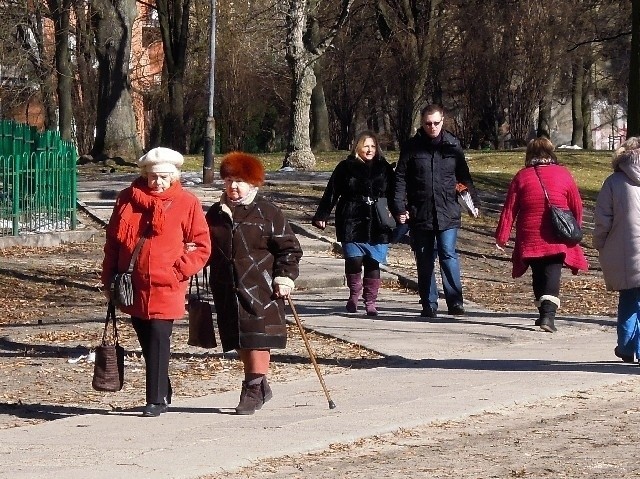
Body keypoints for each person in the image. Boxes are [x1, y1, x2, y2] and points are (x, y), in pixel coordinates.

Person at [101, 147, 211, 417]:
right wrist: (108, 278)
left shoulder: (187, 202)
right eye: (152, 177)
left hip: (167, 285)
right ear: (144, 174)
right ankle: (163, 387)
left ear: (174, 176)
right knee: (147, 339)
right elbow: (113, 244)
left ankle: (155, 400)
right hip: (132, 285)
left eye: (163, 177)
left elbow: (202, 246)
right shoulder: (127, 199)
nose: (157, 182)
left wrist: (179, 270)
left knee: (160, 337)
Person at [206, 152, 302, 415]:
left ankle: (252, 388)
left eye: (239, 181)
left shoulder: (268, 212)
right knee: (239, 338)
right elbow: (205, 246)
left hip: (261, 287)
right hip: (226, 287)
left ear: (253, 183)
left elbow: (290, 248)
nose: (233, 187)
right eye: (228, 181)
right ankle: (261, 384)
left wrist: (285, 277)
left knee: (258, 338)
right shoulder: (215, 213)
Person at [392, 104, 478, 318]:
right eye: (428, 123)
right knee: (424, 258)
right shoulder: (412, 147)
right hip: (420, 212)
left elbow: (464, 177)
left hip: (447, 210)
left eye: (436, 123)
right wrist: (399, 207)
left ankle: (455, 301)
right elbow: (400, 178)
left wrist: (472, 202)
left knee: (448, 254)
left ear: (443, 122)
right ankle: (429, 303)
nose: (432, 127)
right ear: (422, 124)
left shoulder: (452, 146)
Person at [495, 137, 588, 333]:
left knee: (538, 273)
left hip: (530, 234)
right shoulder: (563, 174)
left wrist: (502, 237)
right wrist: (575, 229)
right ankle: (548, 316)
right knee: (552, 271)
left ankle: (543, 314)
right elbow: (576, 205)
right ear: (551, 152)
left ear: (529, 154)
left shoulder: (522, 176)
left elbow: (509, 210)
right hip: (557, 234)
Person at [312, 131, 396, 316]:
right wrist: (322, 215)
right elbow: (332, 192)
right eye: (366, 145)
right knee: (354, 260)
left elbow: (395, 194)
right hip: (351, 217)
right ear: (358, 147)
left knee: (373, 263)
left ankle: (371, 301)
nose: (369, 149)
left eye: (373, 146)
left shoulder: (384, 168)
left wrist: (401, 212)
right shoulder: (345, 167)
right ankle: (354, 294)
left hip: (379, 218)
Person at [593, 137, 640, 363]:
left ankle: (626, 346)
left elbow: (603, 220)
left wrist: (599, 243)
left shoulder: (613, 182)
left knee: (629, 298)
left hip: (624, 253)